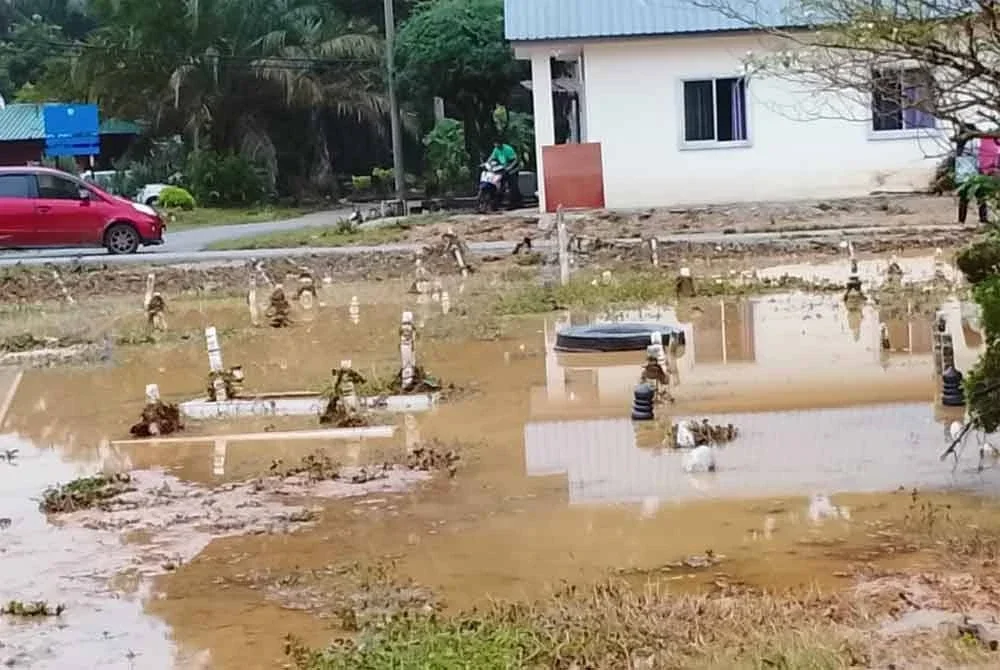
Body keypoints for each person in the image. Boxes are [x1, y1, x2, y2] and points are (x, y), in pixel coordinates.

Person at [955, 128, 989, 225]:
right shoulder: (973, 144)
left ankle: (961, 221)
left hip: (962, 175)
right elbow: (977, 158)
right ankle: (983, 219)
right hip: (973, 174)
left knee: (964, 199)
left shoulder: (960, 146)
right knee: (981, 197)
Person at [488, 139, 522, 208]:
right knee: (501, 184)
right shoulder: (496, 149)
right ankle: (497, 203)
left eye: (497, 144)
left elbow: (515, 160)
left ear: (501, 144)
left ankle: (515, 203)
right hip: (504, 167)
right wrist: (488, 163)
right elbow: (491, 158)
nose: (496, 146)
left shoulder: (508, 149)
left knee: (513, 185)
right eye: (495, 144)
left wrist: (510, 168)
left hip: (513, 167)